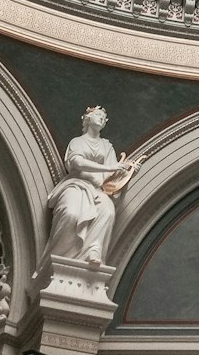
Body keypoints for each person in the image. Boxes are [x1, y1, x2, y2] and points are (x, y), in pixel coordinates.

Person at [44, 107, 143, 268]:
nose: (101, 119)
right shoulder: (77, 142)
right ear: (87, 118)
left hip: (98, 190)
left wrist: (130, 173)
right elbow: (77, 163)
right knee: (71, 214)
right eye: (98, 115)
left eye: (104, 117)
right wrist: (109, 168)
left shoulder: (106, 146)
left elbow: (112, 177)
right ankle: (58, 256)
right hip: (76, 186)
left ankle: (94, 249)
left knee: (108, 211)